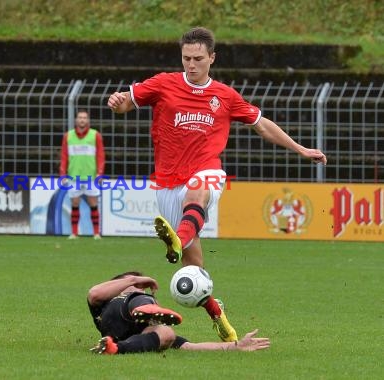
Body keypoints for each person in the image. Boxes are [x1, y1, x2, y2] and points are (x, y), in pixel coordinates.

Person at [107, 27, 327, 342]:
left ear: (212, 58)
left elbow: (261, 125)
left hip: (206, 172)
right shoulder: (164, 83)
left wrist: (301, 149)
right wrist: (118, 103)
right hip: (167, 185)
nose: (191, 64)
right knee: (192, 272)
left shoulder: (224, 96)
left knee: (200, 187)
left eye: (198, 58)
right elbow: (128, 101)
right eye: (186, 58)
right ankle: (216, 312)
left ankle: (178, 239)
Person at [88, 271, 270, 354]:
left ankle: (115, 348)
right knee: (137, 300)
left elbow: (191, 347)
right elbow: (94, 294)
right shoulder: (107, 302)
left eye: (141, 287)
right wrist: (134, 280)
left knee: (167, 334)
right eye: (134, 285)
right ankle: (148, 307)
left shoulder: (150, 327)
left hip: (121, 336)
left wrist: (237, 346)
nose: (139, 287)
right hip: (120, 314)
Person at [59, 109, 105, 240]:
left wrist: (100, 173)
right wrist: (62, 173)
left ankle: (96, 233)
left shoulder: (95, 135)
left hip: (91, 177)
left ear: (88, 120)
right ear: (76, 120)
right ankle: (74, 233)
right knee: (74, 203)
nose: (82, 120)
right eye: (80, 117)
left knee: (93, 204)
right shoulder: (68, 136)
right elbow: (64, 156)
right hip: (74, 176)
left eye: (84, 118)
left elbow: (101, 155)